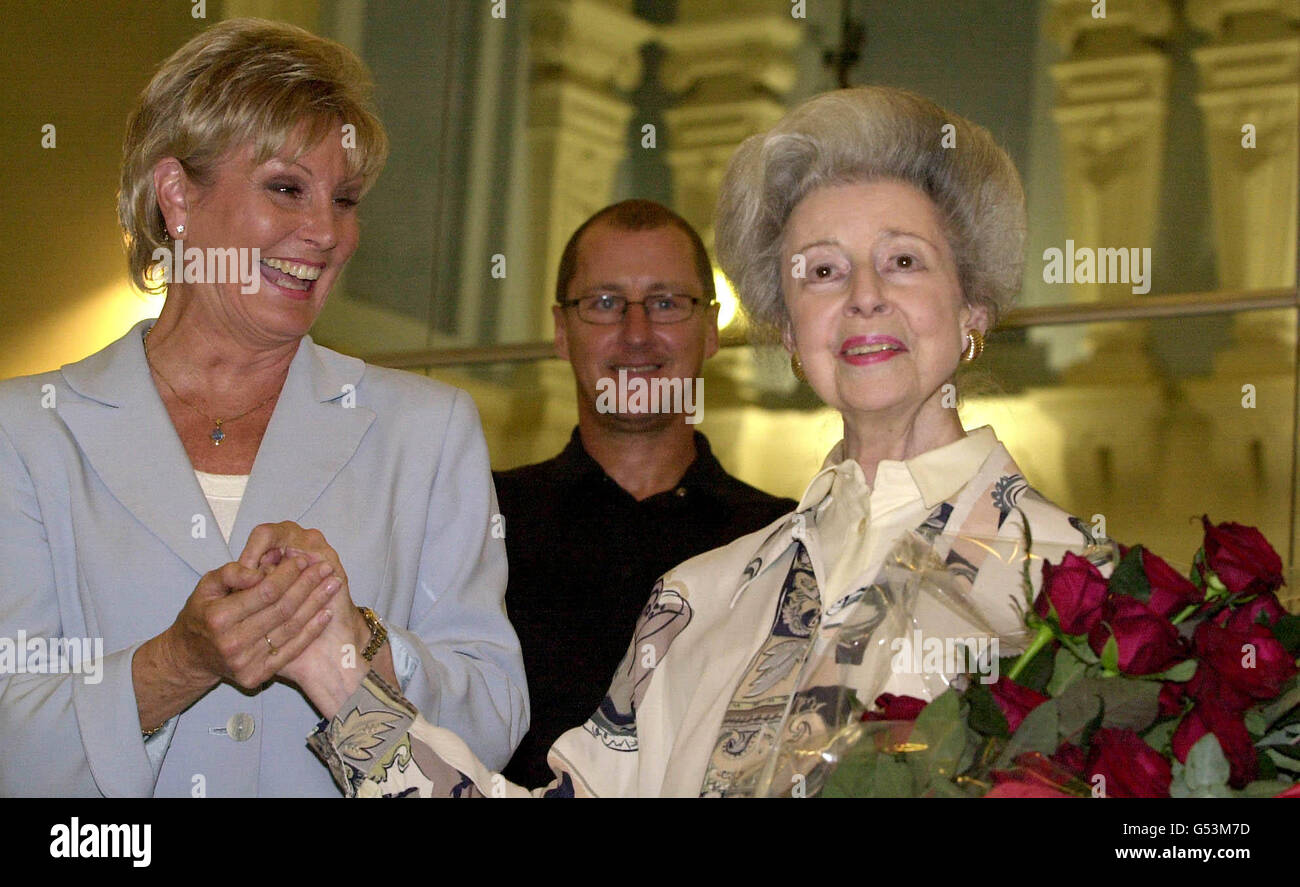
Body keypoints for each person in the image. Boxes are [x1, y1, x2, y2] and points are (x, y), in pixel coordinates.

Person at [298, 86, 1113, 797]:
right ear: (789, 330)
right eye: (821, 272)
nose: (864, 297)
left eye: (903, 260)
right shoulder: (699, 599)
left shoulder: (1076, 584)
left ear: (972, 305)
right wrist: (333, 668)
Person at [0, 18, 526, 797]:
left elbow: (492, 718)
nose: (325, 232)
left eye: (344, 199)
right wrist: (178, 663)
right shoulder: (28, 431)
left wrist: (361, 644)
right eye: (287, 188)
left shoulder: (427, 430)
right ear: (177, 196)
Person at [495, 200, 795, 786]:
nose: (636, 334)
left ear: (710, 329)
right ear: (561, 331)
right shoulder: (483, 519)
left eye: (665, 303)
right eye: (604, 304)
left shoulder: (781, 538)